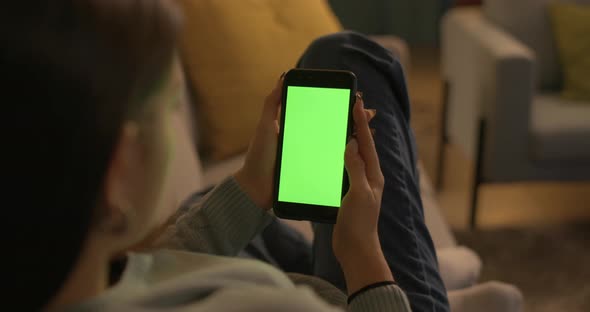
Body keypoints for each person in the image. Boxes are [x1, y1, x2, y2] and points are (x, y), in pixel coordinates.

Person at [1, 0, 449, 311]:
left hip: (251, 275)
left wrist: (250, 188)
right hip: (363, 296)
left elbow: (153, 266)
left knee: (207, 207)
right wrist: (363, 255)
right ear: (118, 172)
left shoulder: (78, 278)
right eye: (167, 107)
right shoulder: (268, 306)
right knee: (347, 54)